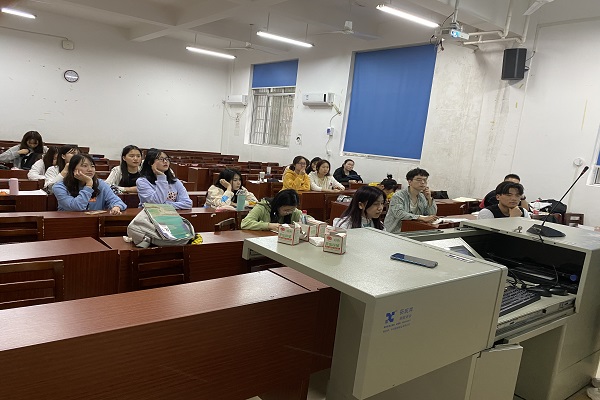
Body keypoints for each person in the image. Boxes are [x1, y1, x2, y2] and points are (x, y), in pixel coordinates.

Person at [53, 154, 126, 215]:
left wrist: (116, 207)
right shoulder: (59, 187)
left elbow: (117, 201)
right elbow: (77, 207)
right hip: (69, 223)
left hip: (95, 223)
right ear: (73, 169)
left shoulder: (100, 184)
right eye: (84, 166)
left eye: (92, 166)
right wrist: (88, 184)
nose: (90, 169)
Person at [383, 167, 438, 234]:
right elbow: (399, 213)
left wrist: (429, 198)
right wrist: (420, 217)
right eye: (419, 180)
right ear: (410, 182)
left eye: (425, 180)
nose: (423, 182)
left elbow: (431, 215)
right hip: (395, 231)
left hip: (413, 230)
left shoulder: (422, 196)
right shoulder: (398, 195)